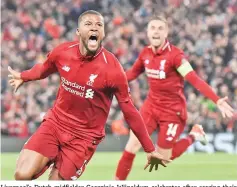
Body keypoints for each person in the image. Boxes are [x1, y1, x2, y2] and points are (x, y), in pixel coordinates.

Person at [8, 10, 169, 181]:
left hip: (84, 138)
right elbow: (42, 70)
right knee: (22, 175)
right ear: (78, 32)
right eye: (88, 24)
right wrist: (23, 76)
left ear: (103, 33)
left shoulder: (113, 69)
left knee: (55, 183)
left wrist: (149, 148)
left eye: (99, 25)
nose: (94, 28)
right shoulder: (62, 52)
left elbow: (130, 111)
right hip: (55, 124)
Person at [115, 15, 234, 180]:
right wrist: (107, 81)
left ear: (166, 33)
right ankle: (116, 182)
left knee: (164, 158)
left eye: (160, 28)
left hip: (172, 111)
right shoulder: (145, 54)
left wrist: (217, 99)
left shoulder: (176, 56)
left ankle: (195, 135)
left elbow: (193, 78)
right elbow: (131, 74)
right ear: (148, 32)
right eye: (153, 28)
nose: (156, 31)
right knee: (132, 144)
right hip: (151, 107)